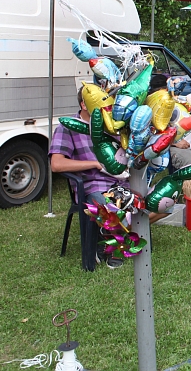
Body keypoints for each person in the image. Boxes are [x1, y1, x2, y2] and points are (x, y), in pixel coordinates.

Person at [50, 89, 132, 269]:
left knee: (162, 204)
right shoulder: (68, 127)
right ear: (84, 105)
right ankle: (114, 245)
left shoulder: (112, 124)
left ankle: (108, 237)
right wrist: (94, 164)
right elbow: (56, 164)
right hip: (93, 185)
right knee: (110, 208)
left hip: (123, 182)